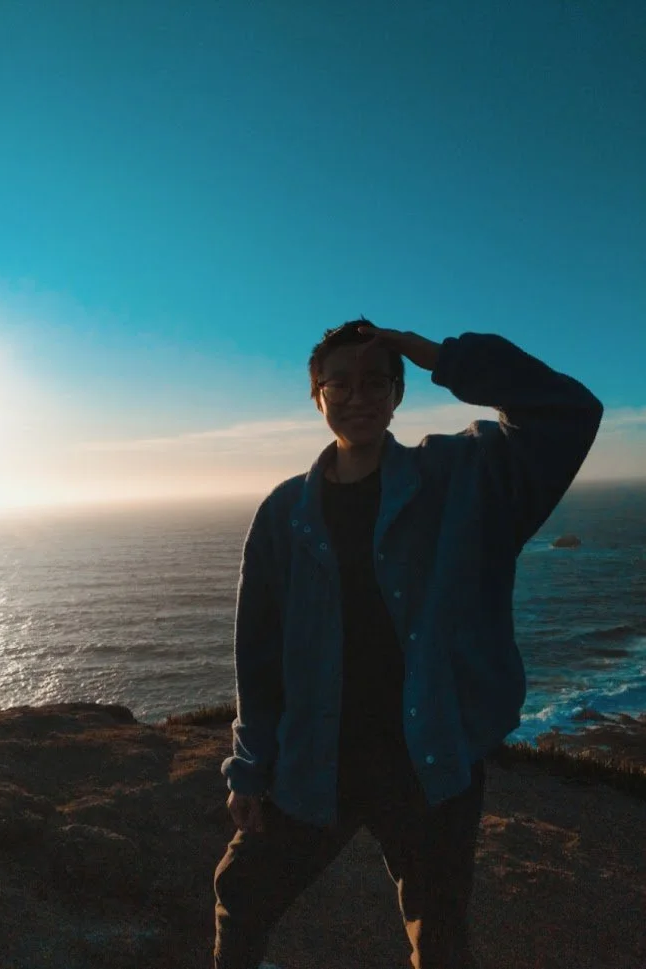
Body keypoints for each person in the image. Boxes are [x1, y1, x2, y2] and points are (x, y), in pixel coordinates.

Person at [213, 319, 603, 969]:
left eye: (376, 381)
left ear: (398, 392)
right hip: (317, 754)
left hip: (428, 758)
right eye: (340, 382)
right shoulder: (283, 513)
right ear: (317, 396)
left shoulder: (460, 478)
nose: (358, 396)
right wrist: (250, 766)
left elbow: (566, 410)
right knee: (241, 891)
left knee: (438, 929)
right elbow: (257, 653)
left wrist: (436, 355)